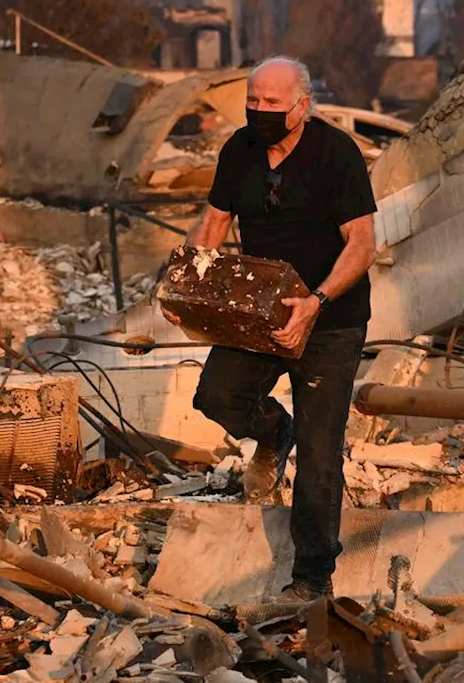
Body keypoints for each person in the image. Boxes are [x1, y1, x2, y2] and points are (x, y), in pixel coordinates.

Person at [162, 55, 377, 602]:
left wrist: (317, 302)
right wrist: (186, 287)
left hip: (329, 322)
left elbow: (362, 244)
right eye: (252, 101)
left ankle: (311, 579)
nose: (259, 111)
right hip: (257, 313)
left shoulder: (337, 155)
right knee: (216, 395)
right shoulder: (239, 150)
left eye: (272, 104)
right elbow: (214, 223)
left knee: (321, 448)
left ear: (302, 106)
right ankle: (272, 431)